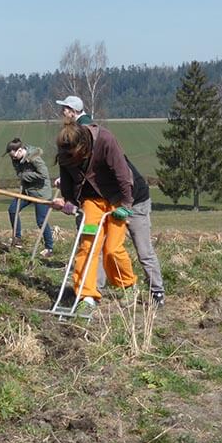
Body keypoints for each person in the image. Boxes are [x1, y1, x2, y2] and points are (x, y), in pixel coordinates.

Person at [52, 119, 138, 311]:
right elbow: (66, 179)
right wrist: (69, 201)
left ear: (83, 145)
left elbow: (123, 174)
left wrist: (126, 205)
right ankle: (86, 295)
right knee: (88, 246)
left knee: (112, 249)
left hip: (116, 198)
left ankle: (128, 285)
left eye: (74, 155)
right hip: (91, 201)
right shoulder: (65, 152)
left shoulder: (105, 140)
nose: (70, 158)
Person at [96, 158, 166, 307]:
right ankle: (96, 290)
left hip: (137, 204)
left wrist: (126, 207)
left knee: (144, 251)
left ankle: (157, 291)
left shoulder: (112, 158)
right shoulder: (90, 159)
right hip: (115, 204)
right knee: (104, 247)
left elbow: (130, 184)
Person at [3, 138, 55, 257]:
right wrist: (22, 176)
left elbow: (44, 175)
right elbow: (19, 172)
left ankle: (49, 248)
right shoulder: (15, 159)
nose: (13, 159)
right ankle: (17, 239)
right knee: (12, 210)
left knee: (41, 221)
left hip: (41, 193)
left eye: (14, 156)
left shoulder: (34, 158)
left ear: (20, 150)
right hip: (26, 191)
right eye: (11, 157)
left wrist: (25, 176)